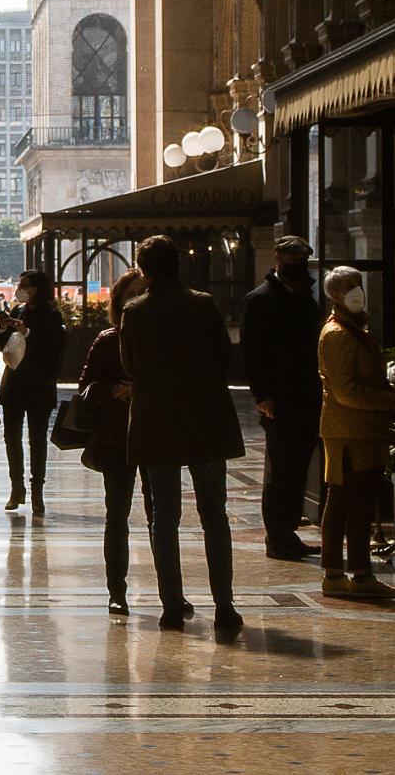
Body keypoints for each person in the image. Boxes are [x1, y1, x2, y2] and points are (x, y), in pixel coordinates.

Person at [119, 235, 244, 637]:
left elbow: (129, 368)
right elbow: (225, 356)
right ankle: (224, 605)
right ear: (178, 265)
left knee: (164, 517)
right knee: (214, 515)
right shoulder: (203, 304)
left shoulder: (134, 311)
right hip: (205, 419)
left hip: (158, 423)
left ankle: (171, 606)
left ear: (143, 270)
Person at [315, 266, 395, 600]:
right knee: (344, 500)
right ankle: (338, 573)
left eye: (357, 285)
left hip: (363, 430)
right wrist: (388, 400)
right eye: (348, 287)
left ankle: (358, 572)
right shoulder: (338, 333)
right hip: (349, 431)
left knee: (362, 502)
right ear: (335, 295)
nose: (356, 292)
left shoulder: (352, 329)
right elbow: (346, 392)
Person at [241, 235, 325, 560]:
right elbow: (251, 351)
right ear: (277, 258)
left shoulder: (306, 299)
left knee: (299, 467)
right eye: (292, 259)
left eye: (302, 260)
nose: (297, 267)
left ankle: (288, 530)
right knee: (280, 468)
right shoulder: (259, 300)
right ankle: (277, 536)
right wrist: (262, 393)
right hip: (278, 397)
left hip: (306, 394)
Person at [78, 268, 153, 613]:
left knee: (161, 515)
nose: (137, 299)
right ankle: (117, 591)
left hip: (155, 433)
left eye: (143, 292)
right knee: (117, 514)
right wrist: (115, 389)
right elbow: (85, 389)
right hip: (115, 437)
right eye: (130, 294)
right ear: (119, 302)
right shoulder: (108, 340)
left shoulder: (160, 338)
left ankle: (172, 590)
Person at [0, 269, 66, 514]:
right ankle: (16, 487)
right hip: (14, 384)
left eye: (24, 285)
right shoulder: (18, 310)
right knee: (11, 437)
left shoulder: (52, 315)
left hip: (39, 385)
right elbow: (2, 345)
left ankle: (37, 489)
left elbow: (55, 350)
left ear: (37, 288)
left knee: (37, 439)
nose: (20, 289)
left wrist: (28, 333)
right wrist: (2, 328)